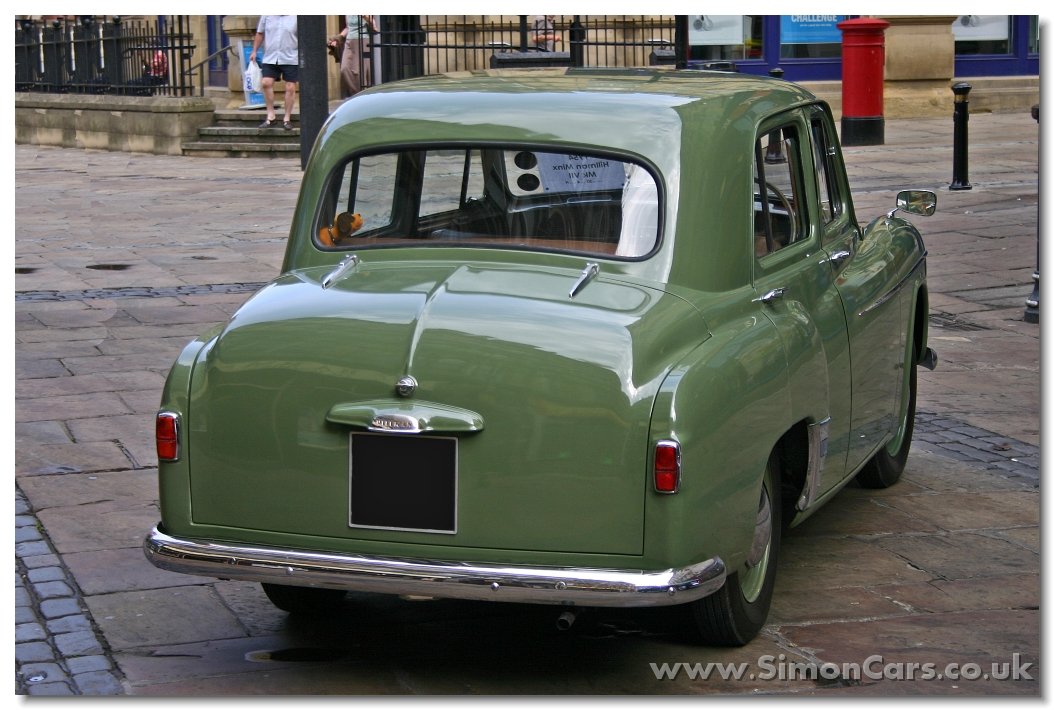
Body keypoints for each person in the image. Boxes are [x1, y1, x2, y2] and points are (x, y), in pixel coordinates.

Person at [249, 15, 299, 130]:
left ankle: (287, 119)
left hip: (290, 57)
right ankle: (271, 116)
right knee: (266, 83)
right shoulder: (267, 15)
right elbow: (260, 33)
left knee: (290, 87)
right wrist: (254, 51)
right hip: (270, 57)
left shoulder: (296, 16)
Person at [328, 15, 377, 99]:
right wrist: (338, 38)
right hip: (349, 41)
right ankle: (356, 94)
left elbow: (375, 28)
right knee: (344, 69)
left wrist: (365, 17)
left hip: (361, 40)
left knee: (358, 73)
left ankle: (362, 96)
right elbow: (348, 28)